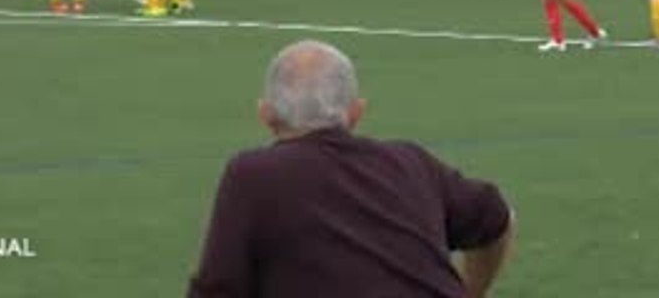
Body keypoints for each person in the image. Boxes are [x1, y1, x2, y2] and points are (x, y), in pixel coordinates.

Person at [189, 41, 514, 298]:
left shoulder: (252, 175)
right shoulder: (411, 161)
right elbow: (498, 218)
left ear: (265, 114)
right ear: (357, 112)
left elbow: (217, 289)